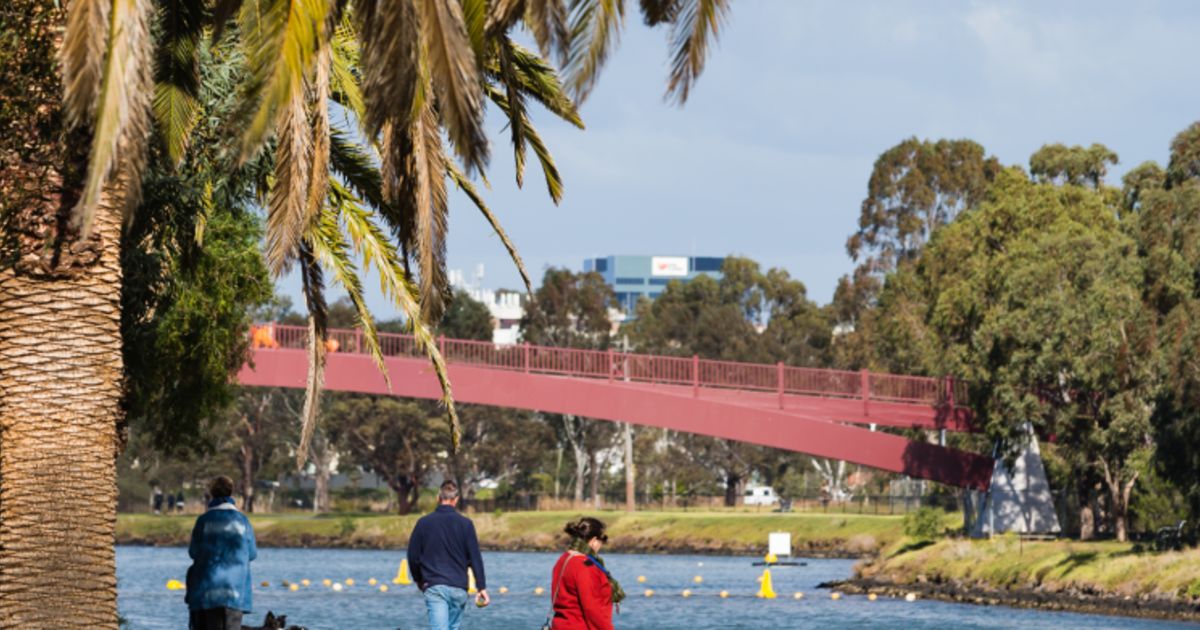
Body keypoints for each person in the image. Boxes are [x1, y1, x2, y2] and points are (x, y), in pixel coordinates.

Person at [406, 481, 489, 630]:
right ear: (456, 499)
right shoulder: (466, 524)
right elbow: (475, 557)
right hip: (459, 588)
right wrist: (481, 586)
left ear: (438, 497)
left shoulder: (423, 523)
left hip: (435, 586)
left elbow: (413, 556)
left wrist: (418, 579)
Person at [185, 476, 257, 630]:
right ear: (231, 493)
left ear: (212, 493)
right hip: (235, 592)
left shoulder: (204, 520)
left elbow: (193, 552)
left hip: (205, 592)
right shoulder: (243, 521)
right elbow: (252, 554)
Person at [549, 517, 625, 630]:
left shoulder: (563, 559)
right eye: (602, 540)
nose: (601, 545)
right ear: (594, 540)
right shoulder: (585, 567)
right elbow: (593, 610)